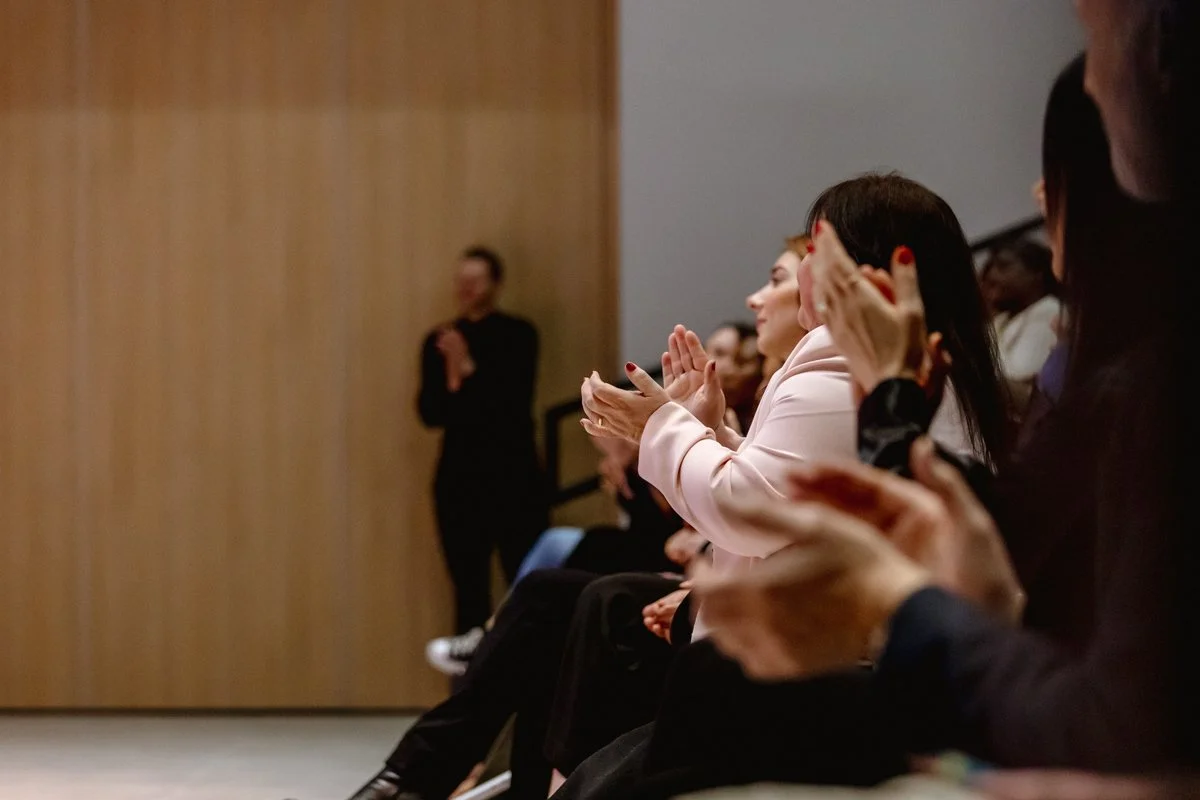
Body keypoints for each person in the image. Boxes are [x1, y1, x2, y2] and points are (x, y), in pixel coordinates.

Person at [693, 44, 1192, 780]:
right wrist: (889, 410)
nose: (1035, 194)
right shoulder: (1101, 373)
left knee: (704, 689)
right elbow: (1017, 554)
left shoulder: (1148, 385)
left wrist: (891, 589)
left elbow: (1110, 713)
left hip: (1038, 750)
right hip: (1010, 713)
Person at [553, 173, 1010, 800]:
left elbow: (747, 509)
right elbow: (790, 491)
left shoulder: (839, 373)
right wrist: (700, 432)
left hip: (850, 672)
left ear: (864, 275)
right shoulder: (870, 369)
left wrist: (664, 426)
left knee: (634, 699)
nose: (795, 277)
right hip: (870, 656)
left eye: (812, 256)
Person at [417, 246, 548, 635]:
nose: (466, 288)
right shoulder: (439, 340)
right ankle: (469, 685)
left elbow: (510, 404)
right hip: (460, 480)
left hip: (514, 476)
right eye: (461, 280)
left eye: (476, 280)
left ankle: (528, 682)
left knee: (526, 583)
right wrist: (455, 377)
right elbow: (431, 412)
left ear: (495, 284)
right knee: (468, 589)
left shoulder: (518, 335)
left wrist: (469, 370)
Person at [978, 240, 1061, 413]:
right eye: (990, 269)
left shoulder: (1049, 311)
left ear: (1037, 274)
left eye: (1003, 266)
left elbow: (1017, 377)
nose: (992, 276)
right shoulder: (1002, 320)